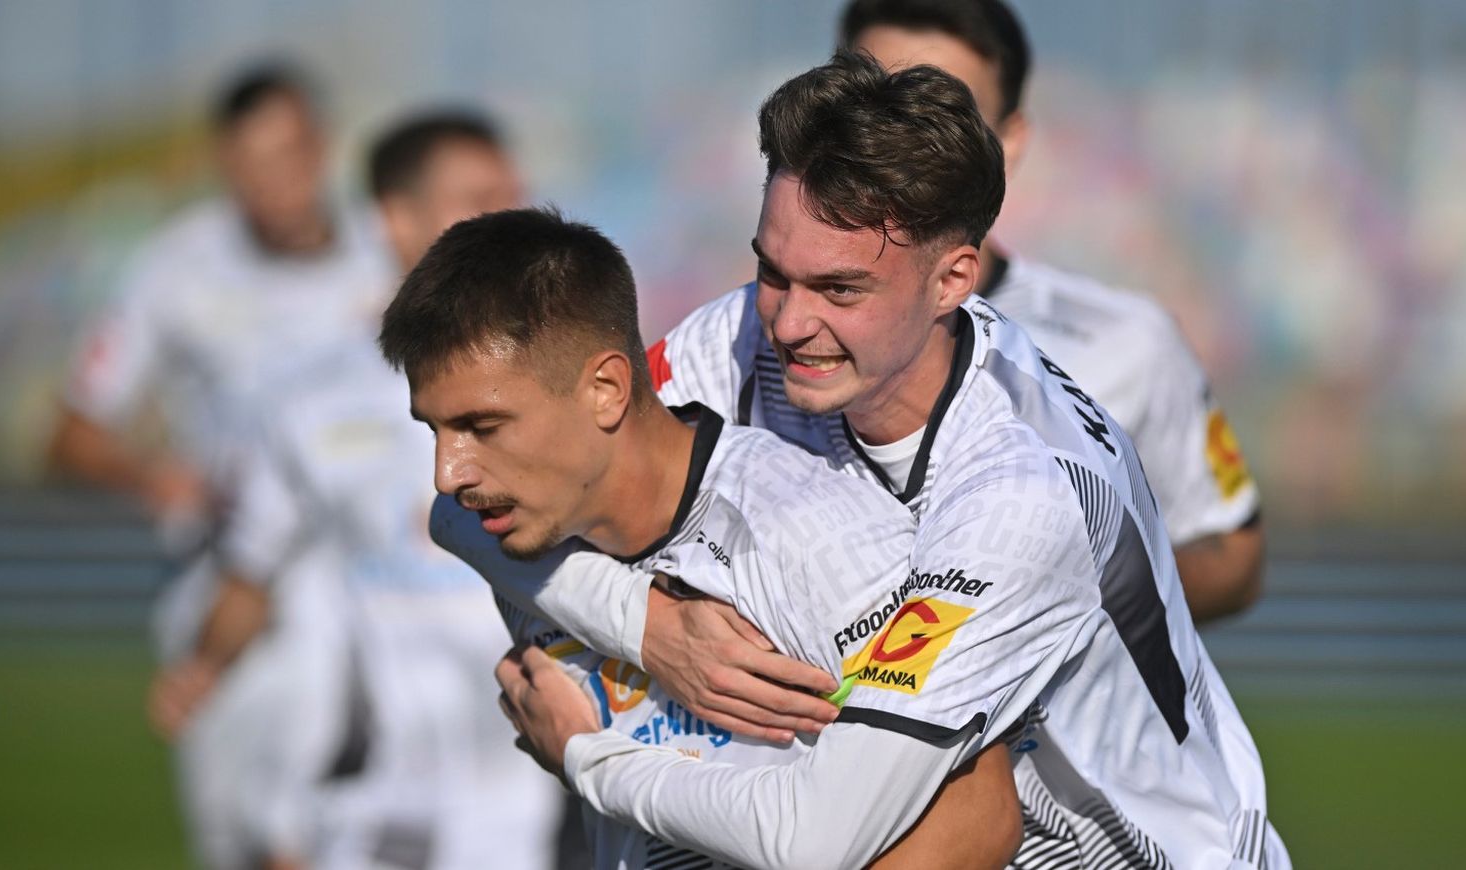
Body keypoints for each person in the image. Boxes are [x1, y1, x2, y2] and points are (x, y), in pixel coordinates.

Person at [427, 54, 1287, 868]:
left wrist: (586, 755)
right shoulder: (737, 336)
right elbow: (489, 486)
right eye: (773, 272)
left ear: (953, 281)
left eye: (840, 289)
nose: (789, 322)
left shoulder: (1020, 499)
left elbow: (819, 835)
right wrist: (643, 626)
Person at [382, 206, 1023, 870]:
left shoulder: (820, 541)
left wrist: (585, 758)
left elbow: (979, 814)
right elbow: (446, 519)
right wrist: (643, 627)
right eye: (435, 430)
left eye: (482, 427)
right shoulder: (515, 533)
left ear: (606, 389)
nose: (449, 473)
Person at [146, 110, 562, 869]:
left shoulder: (577, 385)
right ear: (396, 219)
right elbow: (251, 569)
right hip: (379, 807)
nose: (510, 220)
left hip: (545, 785)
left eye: (515, 197)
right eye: (479, 199)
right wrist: (202, 667)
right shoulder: (312, 400)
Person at [47, 63, 392, 868]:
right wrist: (151, 475)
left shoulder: (387, 258)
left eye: (289, 154)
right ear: (225, 165)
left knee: (327, 838)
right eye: (251, 161)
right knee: (234, 843)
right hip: (227, 595)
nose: (274, 180)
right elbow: (73, 429)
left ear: (321, 148)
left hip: (366, 594)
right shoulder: (177, 267)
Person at [841, 0, 1265, 623]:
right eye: (870, 112)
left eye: (942, 119)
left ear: (1009, 143)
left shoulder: (1130, 341)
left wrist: (1065, 590)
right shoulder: (760, 332)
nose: (897, 147)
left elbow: (1232, 555)